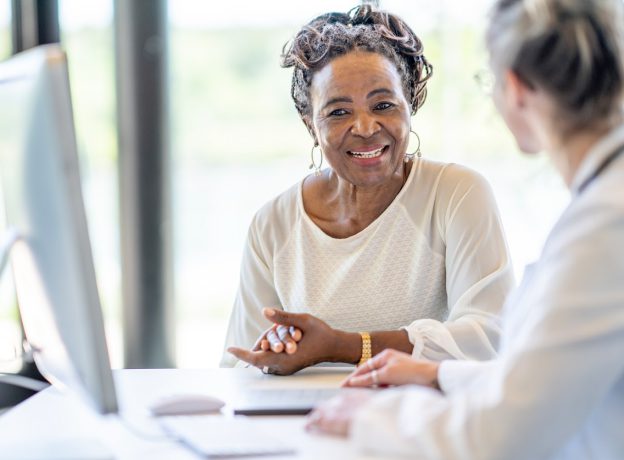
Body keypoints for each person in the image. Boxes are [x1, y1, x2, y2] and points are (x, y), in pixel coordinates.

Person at [304, 0, 624, 458]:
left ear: (514, 88)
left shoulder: (604, 229)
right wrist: (439, 374)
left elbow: (500, 436)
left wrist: (372, 418)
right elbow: (545, 378)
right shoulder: (606, 206)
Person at [222, 5, 515, 374]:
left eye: (384, 105)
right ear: (310, 123)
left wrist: (343, 347)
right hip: (309, 423)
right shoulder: (273, 224)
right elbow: (239, 364)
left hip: (422, 423)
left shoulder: (457, 194)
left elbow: (490, 337)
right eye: (338, 112)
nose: (365, 127)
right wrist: (272, 351)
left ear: (410, 105)